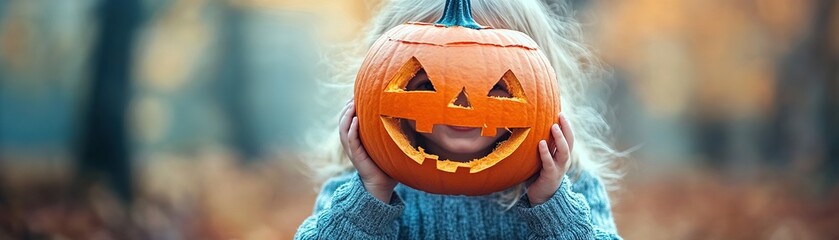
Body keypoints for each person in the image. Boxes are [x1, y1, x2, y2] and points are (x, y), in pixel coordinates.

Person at [296, 0, 623, 238]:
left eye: (496, 87)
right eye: (427, 85)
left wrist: (552, 206)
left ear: (544, 87)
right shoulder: (359, 192)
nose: (461, 105)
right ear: (375, 87)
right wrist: (370, 198)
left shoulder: (570, 189)